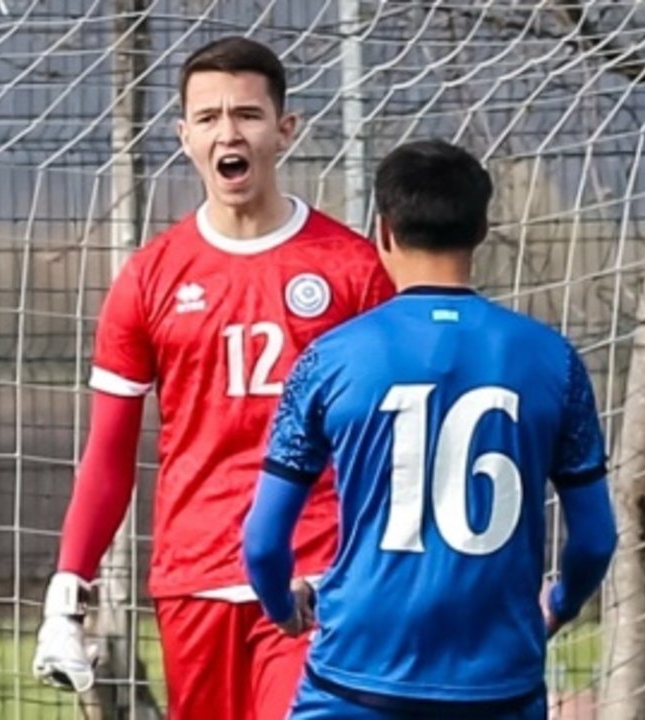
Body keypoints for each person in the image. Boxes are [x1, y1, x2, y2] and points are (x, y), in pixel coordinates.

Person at [31, 36, 395, 720]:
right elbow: (108, 454)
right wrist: (66, 593)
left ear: (285, 129)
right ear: (185, 137)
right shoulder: (149, 278)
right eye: (208, 117)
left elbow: (392, 446)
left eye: (248, 114)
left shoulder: (353, 270)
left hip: (317, 580)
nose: (229, 132)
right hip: (195, 581)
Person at [243, 139, 618, 719]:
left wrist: (281, 607)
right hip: (499, 686)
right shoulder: (553, 361)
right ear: (482, 230)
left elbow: (264, 542)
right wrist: (560, 604)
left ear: (383, 230)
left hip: (354, 681)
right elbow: (594, 539)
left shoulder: (328, 359)